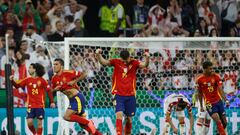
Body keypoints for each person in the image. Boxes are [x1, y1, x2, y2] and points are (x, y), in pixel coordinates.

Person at [95, 49, 149, 135]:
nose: (125, 62)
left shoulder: (134, 62)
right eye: (123, 60)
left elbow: (145, 65)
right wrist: (98, 55)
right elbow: (104, 62)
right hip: (118, 94)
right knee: (119, 114)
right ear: (120, 58)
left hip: (131, 95)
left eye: (127, 60)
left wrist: (147, 58)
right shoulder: (116, 62)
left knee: (129, 118)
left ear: (129, 57)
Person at [51, 58, 102, 135]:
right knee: (83, 125)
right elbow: (51, 90)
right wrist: (55, 89)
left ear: (61, 66)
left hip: (77, 98)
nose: (54, 66)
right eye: (53, 64)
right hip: (72, 100)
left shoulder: (68, 73)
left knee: (66, 116)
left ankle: (88, 122)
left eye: (56, 64)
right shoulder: (54, 78)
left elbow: (84, 74)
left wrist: (74, 81)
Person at [10, 63, 55, 135]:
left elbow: (49, 90)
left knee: (39, 124)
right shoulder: (27, 80)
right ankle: (34, 133)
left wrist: (52, 101)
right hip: (30, 105)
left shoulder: (42, 80)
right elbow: (17, 86)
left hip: (40, 105)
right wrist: (12, 81)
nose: (28, 69)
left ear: (35, 69)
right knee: (29, 122)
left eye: (30, 68)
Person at [196, 61, 229, 135]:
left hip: (218, 101)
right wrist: (201, 106)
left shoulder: (216, 76)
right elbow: (200, 93)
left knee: (225, 122)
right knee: (217, 120)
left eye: (212, 68)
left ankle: (219, 133)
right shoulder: (200, 80)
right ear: (205, 69)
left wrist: (226, 99)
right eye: (210, 69)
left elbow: (220, 90)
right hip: (209, 103)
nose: (212, 70)